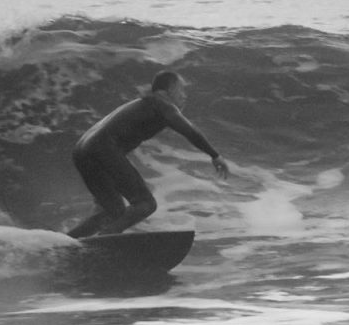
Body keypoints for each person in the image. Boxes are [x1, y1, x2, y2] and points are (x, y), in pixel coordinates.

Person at [67, 71, 229, 238]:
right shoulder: (162, 104)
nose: (184, 95)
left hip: (82, 151)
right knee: (146, 203)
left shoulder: (143, 104)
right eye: (181, 89)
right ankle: (107, 237)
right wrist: (215, 155)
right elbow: (189, 130)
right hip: (103, 148)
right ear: (169, 89)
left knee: (112, 211)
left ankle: (66, 244)